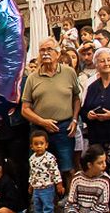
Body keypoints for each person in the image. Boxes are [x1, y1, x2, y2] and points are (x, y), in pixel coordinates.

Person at [20, 38, 82, 183]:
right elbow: (25, 109)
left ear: (58, 53)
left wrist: (74, 119)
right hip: (40, 130)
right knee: (40, 169)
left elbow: (76, 98)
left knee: (67, 168)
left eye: (49, 50)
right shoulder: (32, 78)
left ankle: (69, 201)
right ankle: (44, 202)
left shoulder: (69, 72)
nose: (45, 53)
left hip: (64, 127)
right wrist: (42, 121)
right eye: (42, 50)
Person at [56, 147, 110, 213]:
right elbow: (71, 202)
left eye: (104, 161)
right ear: (90, 165)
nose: (104, 165)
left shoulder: (105, 180)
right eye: (100, 163)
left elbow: (101, 207)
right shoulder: (77, 178)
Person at [26, 130, 63, 213]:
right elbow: (32, 173)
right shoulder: (32, 159)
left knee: (47, 207)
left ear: (46, 145)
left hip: (47, 187)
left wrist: (59, 184)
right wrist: (31, 185)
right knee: (37, 207)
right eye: (36, 144)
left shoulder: (50, 158)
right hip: (37, 188)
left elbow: (55, 171)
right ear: (31, 146)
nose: (39, 146)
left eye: (41, 144)